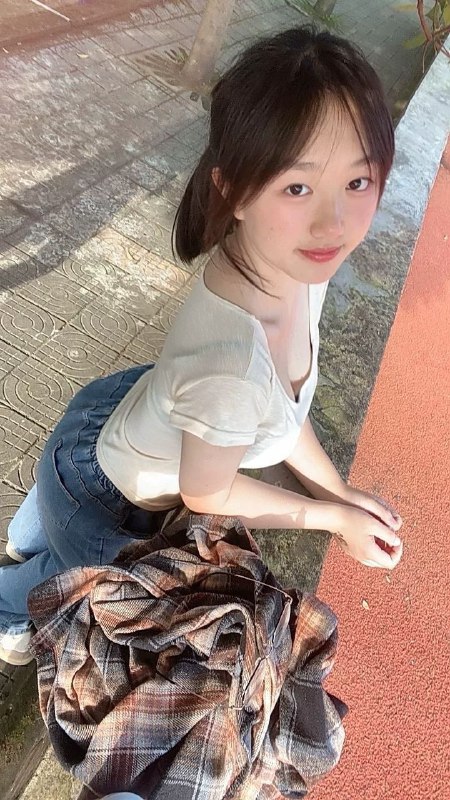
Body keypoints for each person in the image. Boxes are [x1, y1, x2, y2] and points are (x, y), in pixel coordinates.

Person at [0, 25, 403, 667]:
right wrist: (330, 518)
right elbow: (209, 495)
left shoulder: (297, 266)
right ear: (233, 190)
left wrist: (337, 492)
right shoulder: (231, 366)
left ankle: (32, 526)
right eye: (297, 187)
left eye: (357, 182)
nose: (333, 221)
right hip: (106, 493)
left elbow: (282, 409)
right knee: (72, 583)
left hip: (115, 416)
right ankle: (9, 602)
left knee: (54, 501)